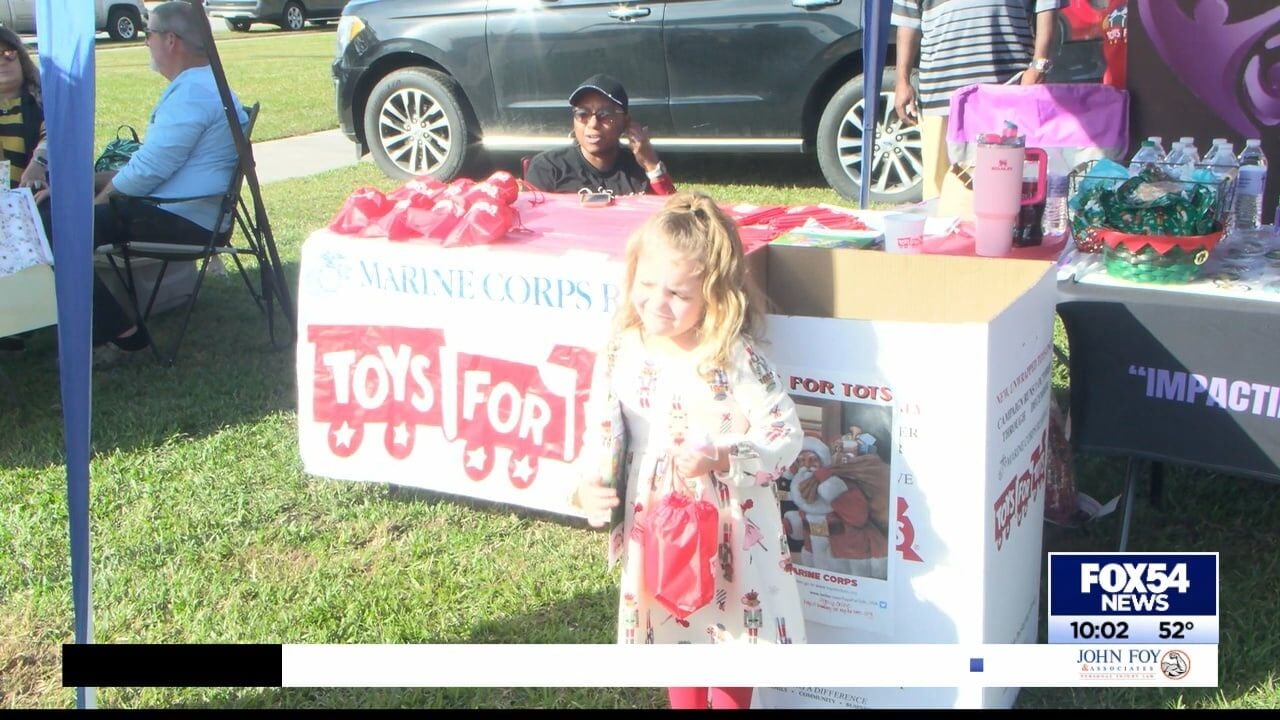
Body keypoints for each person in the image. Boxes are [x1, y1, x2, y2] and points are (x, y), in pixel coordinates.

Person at [573, 191, 805, 710]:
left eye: (677, 293)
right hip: (656, 523)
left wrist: (723, 458)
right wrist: (589, 485)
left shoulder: (733, 356)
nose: (657, 303)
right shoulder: (619, 349)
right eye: (647, 284)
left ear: (714, 298)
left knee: (730, 644)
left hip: (729, 523)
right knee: (673, 634)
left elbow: (786, 434)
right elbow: (602, 430)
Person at [89, 0, 249, 353]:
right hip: (190, 210)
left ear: (171, 40)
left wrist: (100, 200)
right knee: (64, 212)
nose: (147, 41)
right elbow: (161, 163)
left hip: (184, 218)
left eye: (149, 33)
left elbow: (150, 169)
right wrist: (105, 179)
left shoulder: (193, 91)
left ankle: (123, 333)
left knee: (63, 230)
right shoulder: (204, 83)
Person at [892, 0, 1064, 201]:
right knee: (940, 197)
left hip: (1005, 88)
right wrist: (901, 80)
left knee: (1005, 193)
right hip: (940, 92)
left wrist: (1039, 65)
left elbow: (1048, 6)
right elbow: (908, 22)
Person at [524, 73, 676, 197]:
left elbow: (675, 217)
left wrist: (651, 166)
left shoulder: (640, 166)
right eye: (583, 114)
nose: (593, 123)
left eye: (605, 114)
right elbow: (533, 221)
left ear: (625, 121)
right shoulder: (549, 167)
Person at [0, 27, 48, 351]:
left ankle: (20, 320)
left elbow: (56, 136)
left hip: (36, 196)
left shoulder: (41, 98)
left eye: (8, 52)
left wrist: (38, 164)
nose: (4, 60)